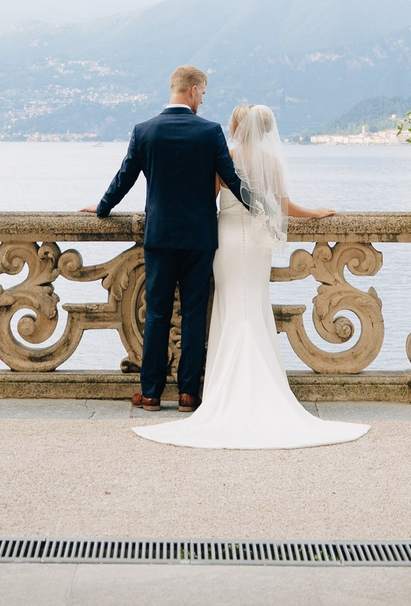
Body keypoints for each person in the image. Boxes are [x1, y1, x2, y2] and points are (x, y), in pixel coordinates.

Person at [133, 103, 367, 449]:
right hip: (257, 241)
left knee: (228, 304)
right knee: (253, 304)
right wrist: (316, 212)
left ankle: (217, 386)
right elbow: (286, 206)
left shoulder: (224, 154)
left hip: (226, 237)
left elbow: (206, 199)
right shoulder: (271, 162)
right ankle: (259, 381)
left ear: (237, 126)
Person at [86, 65, 249, 410]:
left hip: (159, 236)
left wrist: (102, 208)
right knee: (193, 313)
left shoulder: (144, 131)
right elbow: (231, 179)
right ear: (191, 90)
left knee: (157, 313)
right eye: (202, 94)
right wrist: (260, 206)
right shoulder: (209, 132)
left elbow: (124, 178)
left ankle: (150, 394)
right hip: (200, 237)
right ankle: (189, 393)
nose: (202, 101)